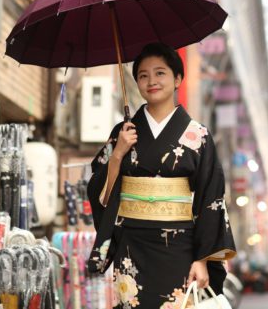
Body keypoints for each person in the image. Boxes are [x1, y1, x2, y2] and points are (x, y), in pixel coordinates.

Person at [86, 42, 237, 309]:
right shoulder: (123, 132)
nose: (151, 81)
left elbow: (210, 198)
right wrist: (118, 153)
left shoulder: (198, 135)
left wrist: (202, 259)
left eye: (160, 73)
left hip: (179, 249)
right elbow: (98, 187)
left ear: (177, 78)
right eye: (143, 75)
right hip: (131, 246)